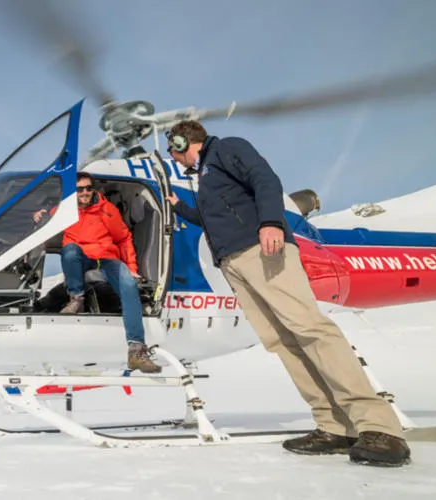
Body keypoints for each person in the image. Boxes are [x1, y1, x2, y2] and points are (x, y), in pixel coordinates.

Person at [162, 120, 410, 467]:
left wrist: (271, 223)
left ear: (180, 141)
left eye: (173, 151)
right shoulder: (204, 177)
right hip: (234, 262)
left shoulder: (227, 148)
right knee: (282, 341)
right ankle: (334, 426)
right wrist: (177, 205)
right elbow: (211, 217)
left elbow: (265, 179)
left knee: (310, 329)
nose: (175, 161)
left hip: (260, 251)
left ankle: (380, 428)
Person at [33, 172, 159, 373]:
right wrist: (40, 215)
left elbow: (124, 238)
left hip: (107, 259)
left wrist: (132, 269)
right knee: (70, 250)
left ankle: (136, 349)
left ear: (93, 189)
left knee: (128, 286)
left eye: (88, 188)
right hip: (81, 258)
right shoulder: (64, 210)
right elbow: (48, 218)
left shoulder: (107, 210)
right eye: (79, 189)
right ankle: (76, 299)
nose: (84, 193)